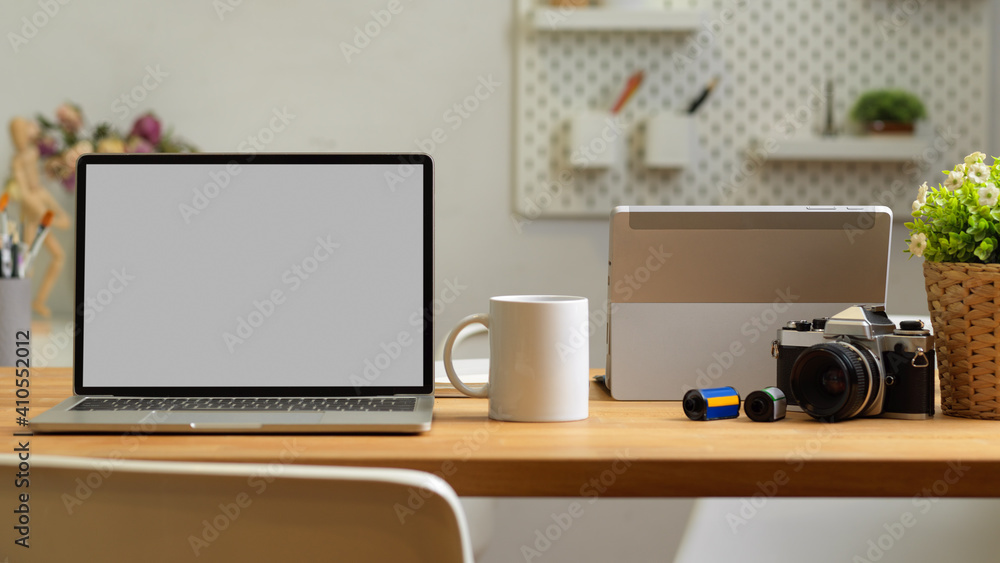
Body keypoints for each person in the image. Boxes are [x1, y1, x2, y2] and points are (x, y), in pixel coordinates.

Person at [8, 116, 72, 318]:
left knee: (58, 257)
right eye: (14, 134)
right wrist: (44, 213)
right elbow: (24, 194)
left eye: (21, 131)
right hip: (31, 215)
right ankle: (20, 308)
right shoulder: (17, 161)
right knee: (27, 263)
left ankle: (39, 300)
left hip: (40, 200)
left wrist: (52, 210)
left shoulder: (34, 153)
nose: (19, 138)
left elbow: (37, 188)